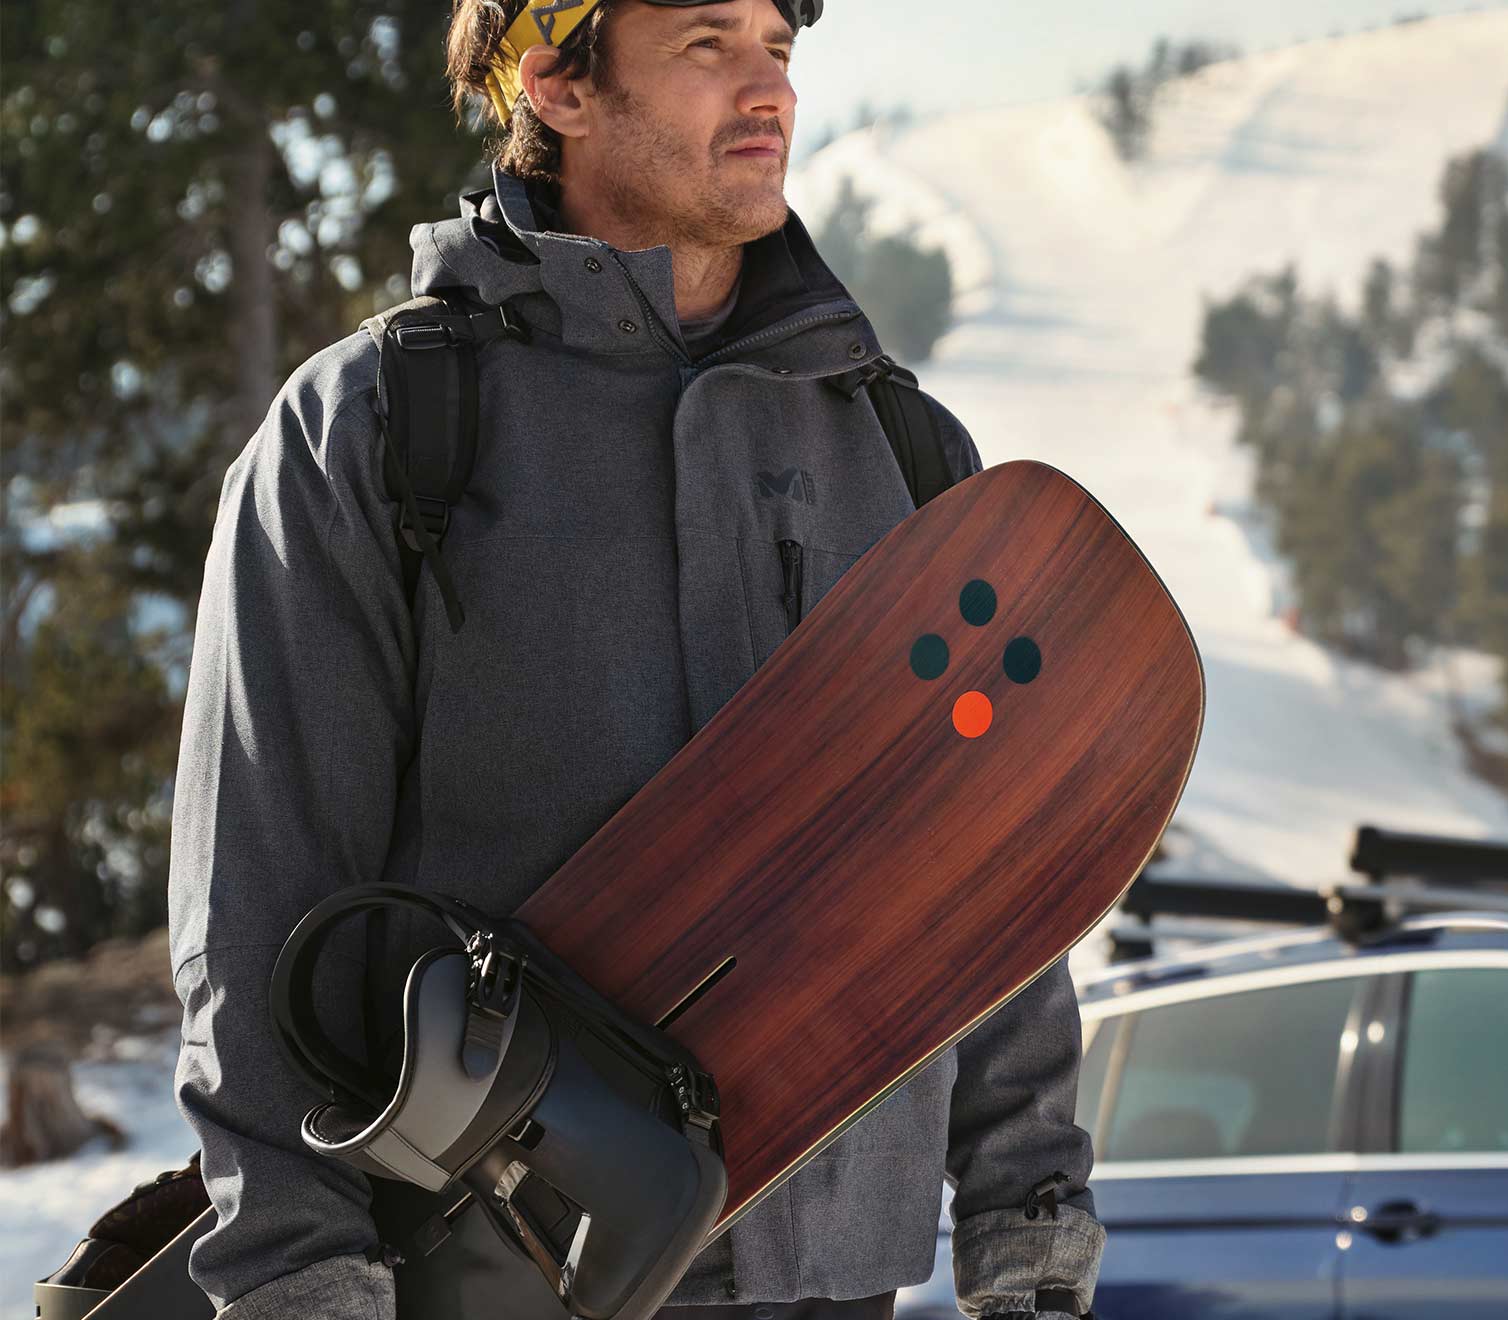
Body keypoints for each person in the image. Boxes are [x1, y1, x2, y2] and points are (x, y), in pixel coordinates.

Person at [163, 2, 1102, 1317]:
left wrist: (1032, 1217)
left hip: (831, 1281)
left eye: (778, 49)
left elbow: (973, 880)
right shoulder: (376, 435)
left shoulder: (898, 450)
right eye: (707, 45)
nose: (767, 90)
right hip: (500, 1278)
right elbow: (257, 898)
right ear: (557, 83)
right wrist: (297, 1276)